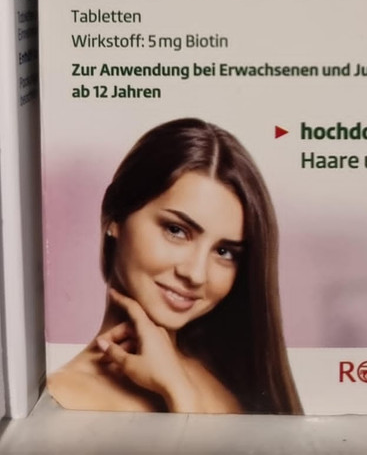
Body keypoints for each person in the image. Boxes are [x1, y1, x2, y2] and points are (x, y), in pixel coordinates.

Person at [48, 117, 303, 414]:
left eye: (224, 252)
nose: (195, 274)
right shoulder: (64, 398)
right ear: (115, 215)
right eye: (176, 230)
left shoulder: (237, 386)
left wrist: (178, 392)